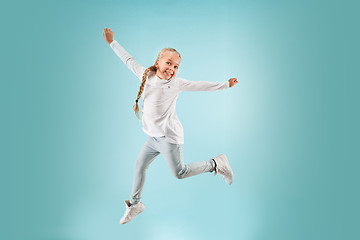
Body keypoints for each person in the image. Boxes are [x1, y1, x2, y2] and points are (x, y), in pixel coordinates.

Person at [103, 28, 238, 224]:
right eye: (169, 63)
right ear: (157, 62)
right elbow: (128, 60)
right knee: (139, 166)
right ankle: (135, 205)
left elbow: (200, 85)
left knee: (179, 173)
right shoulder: (145, 76)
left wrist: (225, 84)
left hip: (169, 138)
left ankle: (217, 163)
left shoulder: (176, 83)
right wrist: (111, 42)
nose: (172, 69)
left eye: (176, 66)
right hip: (153, 138)